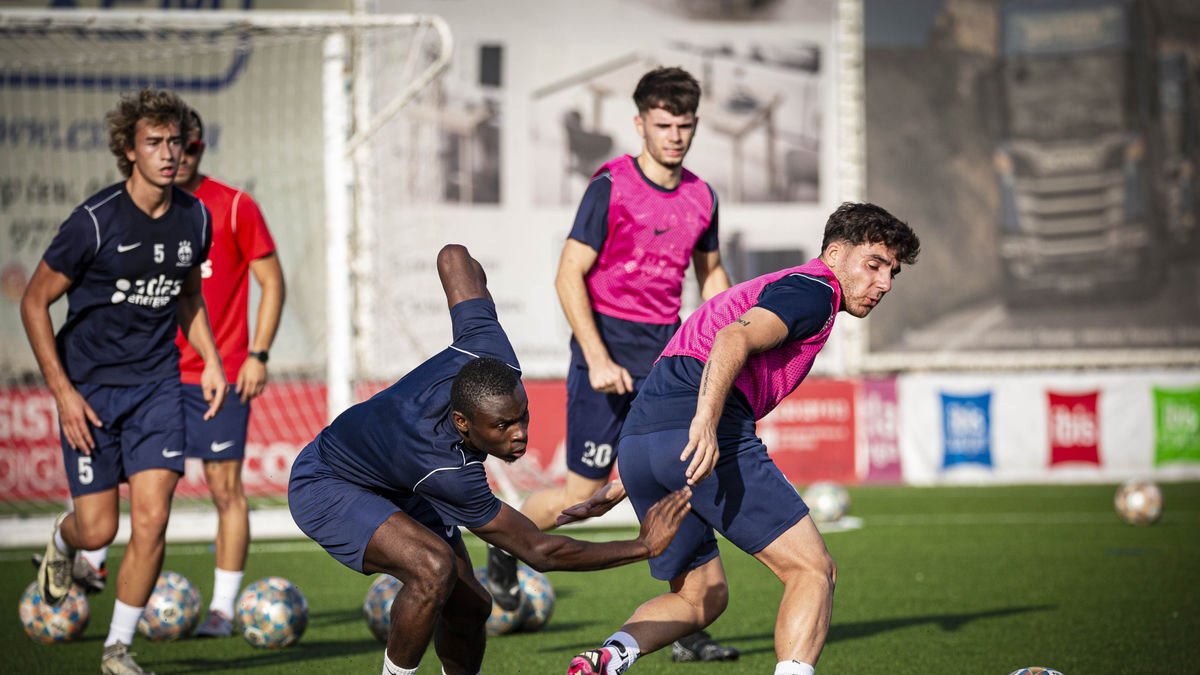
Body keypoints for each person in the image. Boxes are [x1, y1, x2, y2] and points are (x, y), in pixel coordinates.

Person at [287, 244, 693, 675]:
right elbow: (541, 551)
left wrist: (470, 270)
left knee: (471, 607)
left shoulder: (488, 349)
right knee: (432, 568)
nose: (519, 434)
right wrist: (643, 546)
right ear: (463, 422)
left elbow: (452, 256)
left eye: (523, 417)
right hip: (328, 483)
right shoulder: (446, 468)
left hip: (398, 477)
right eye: (502, 427)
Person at [565, 203, 921, 675]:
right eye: (873, 265)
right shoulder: (815, 290)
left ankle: (607, 658)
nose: (884, 284)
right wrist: (707, 423)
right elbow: (733, 339)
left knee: (700, 598)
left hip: (642, 441)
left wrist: (622, 482)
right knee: (812, 571)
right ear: (834, 255)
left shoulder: (776, 286)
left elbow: (668, 397)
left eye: (892, 272)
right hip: (700, 430)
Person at [488, 65, 737, 663]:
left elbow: (711, 278)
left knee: (681, 481)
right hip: (603, 358)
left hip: (668, 361)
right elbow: (567, 272)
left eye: (685, 125)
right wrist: (597, 357)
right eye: (663, 124)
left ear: (696, 126)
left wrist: (734, 330)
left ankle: (688, 626)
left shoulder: (703, 196)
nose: (675, 135)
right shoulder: (610, 186)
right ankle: (502, 551)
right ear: (640, 123)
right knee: (583, 491)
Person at [21, 89, 226, 675]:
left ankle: (117, 649)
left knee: (154, 517)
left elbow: (187, 294)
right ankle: (63, 545)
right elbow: (35, 302)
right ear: (129, 150)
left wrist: (208, 358)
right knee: (98, 528)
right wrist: (62, 393)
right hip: (88, 389)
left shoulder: (196, 217)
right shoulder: (94, 221)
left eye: (174, 142)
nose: (167, 154)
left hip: (158, 385)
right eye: (153, 142)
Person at [68, 107, 287, 638]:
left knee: (224, 488)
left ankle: (223, 609)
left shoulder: (232, 207)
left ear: (200, 148)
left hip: (219, 374)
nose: (175, 155)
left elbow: (273, 283)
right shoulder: (133, 212)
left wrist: (257, 354)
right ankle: (90, 562)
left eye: (185, 146)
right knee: (119, 496)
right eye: (165, 145)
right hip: (147, 377)